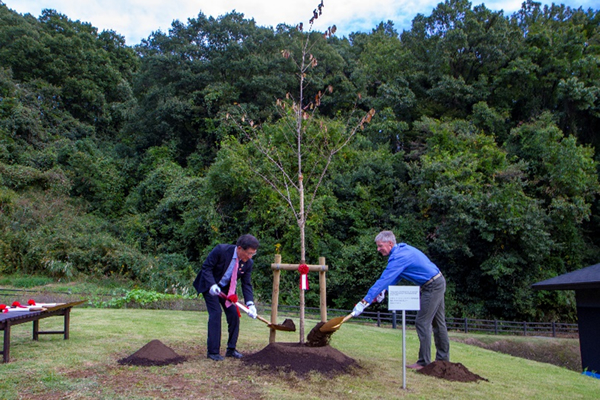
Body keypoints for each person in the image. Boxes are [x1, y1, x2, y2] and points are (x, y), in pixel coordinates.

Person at [351, 230, 450, 370]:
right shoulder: (401, 251)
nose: (378, 249)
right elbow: (396, 276)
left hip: (432, 286)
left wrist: (364, 301)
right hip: (436, 282)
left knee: (422, 322)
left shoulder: (399, 257)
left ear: (390, 244)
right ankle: (443, 360)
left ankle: (424, 363)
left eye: (380, 246)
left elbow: (384, 279)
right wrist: (384, 291)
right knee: (438, 323)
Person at [193, 234, 260, 361]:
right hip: (210, 286)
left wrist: (250, 304)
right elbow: (206, 268)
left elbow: (246, 284)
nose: (250, 257)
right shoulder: (221, 250)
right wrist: (212, 285)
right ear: (240, 248)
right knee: (216, 313)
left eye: (253, 254)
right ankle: (213, 352)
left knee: (234, 314)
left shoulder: (248, 263)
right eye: (249, 253)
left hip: (226, 290)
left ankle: (231, 349)